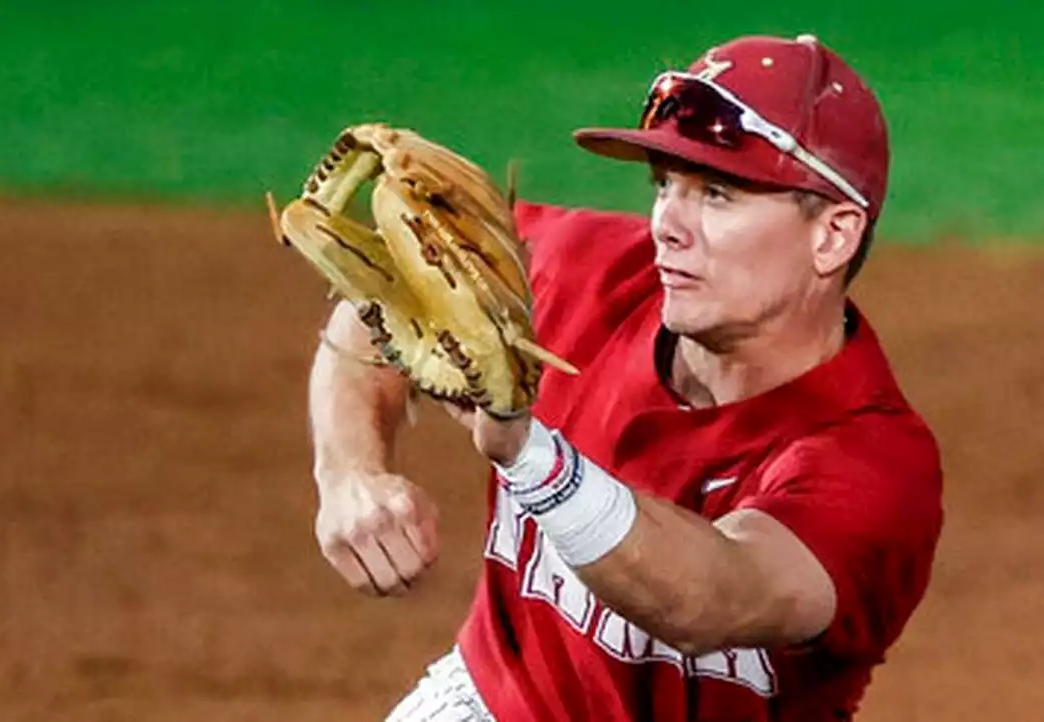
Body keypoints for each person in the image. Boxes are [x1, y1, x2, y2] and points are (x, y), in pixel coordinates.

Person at [307, 33, 944, 721]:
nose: (668, 222)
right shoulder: (587, 269)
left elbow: (710, 597)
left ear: (834, 235)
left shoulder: (873, 464)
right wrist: (349, 471)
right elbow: (383, 301)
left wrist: (530, 456)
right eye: (665, 184)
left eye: (719, 195)